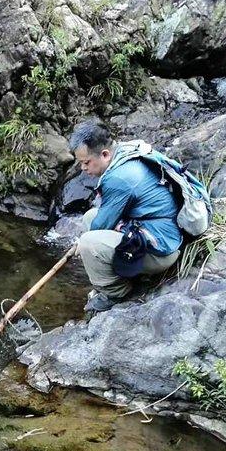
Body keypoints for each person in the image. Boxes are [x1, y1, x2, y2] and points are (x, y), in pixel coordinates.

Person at [70, 120, 183, 313]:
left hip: (161, 249)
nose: (83, 168)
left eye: (86, 162)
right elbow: (99, 219)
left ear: (104, 155)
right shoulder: (127, 151)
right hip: (162, 229)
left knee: (89, 242)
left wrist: (81, 245)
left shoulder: (119, 178)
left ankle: (116, 292)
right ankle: (125, 271)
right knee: (90, 217)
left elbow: (99, 228)